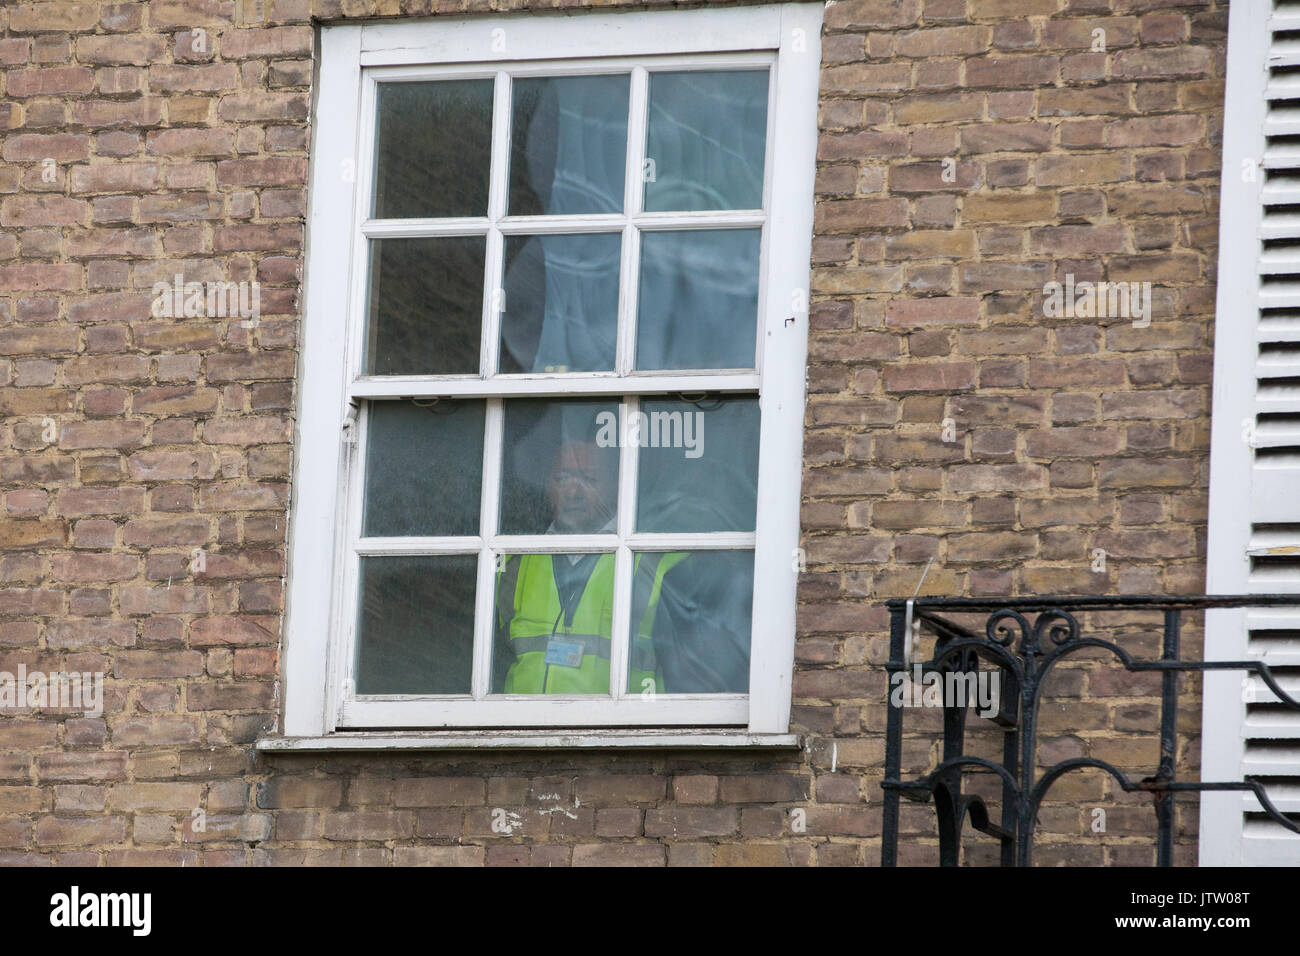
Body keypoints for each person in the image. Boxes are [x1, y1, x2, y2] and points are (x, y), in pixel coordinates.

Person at [493, 439, 685, 694]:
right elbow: (492, 658)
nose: (573, 492)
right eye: (562, 479)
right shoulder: (515, 563)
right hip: (521, 728)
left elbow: (685, 670)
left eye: (589, 480)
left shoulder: (653, 562)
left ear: (617, 486)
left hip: (623, 728)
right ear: (547, 485)